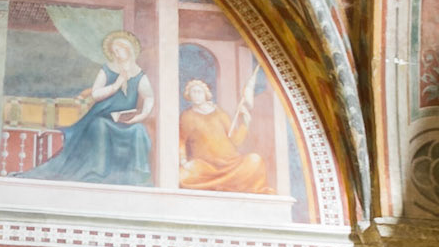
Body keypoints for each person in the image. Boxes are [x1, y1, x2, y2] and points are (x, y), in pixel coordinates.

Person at [20, 30, 154, 184]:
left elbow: (149, 97)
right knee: (99, 126)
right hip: (102, 116)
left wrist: (140, 116)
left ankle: (133, 175)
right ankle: (96, 173)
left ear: (129, 50)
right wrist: (116, 85)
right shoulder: (107, 70)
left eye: (120, 49)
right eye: (114, 50)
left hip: (125, 120)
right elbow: (96, 94)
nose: (117, 53)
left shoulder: (139, 74)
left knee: (139, 130)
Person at [178, 75, 267, 191]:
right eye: (193, 92)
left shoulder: (220, 113)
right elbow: (181, 140)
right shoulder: (186, 116)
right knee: (183, 176)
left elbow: (235, 140)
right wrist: (184, 161)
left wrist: (245, 124)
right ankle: (224, 184)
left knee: (255, 161)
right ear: (189, 95)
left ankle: (224, 184)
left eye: (199, 91)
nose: (196, 95)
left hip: (231, 164)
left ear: (206, 94)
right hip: (206, 167)